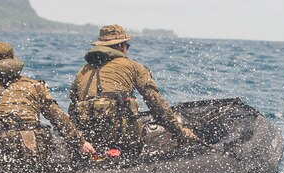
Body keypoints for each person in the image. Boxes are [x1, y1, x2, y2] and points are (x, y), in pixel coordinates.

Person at [0, 42, 94, 173]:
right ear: (12, 59)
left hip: (1, 152)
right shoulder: (34, 86)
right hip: (37, 149)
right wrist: (80, 143)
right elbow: (58, 117)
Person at [69, 24, 198, 155]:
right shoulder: (134, 67)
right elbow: (157, 105)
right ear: (121, 46)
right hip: (121, 139)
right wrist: (182, 133)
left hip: (89, 140)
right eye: (127, 46)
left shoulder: (82, 71)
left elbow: (73, 108)